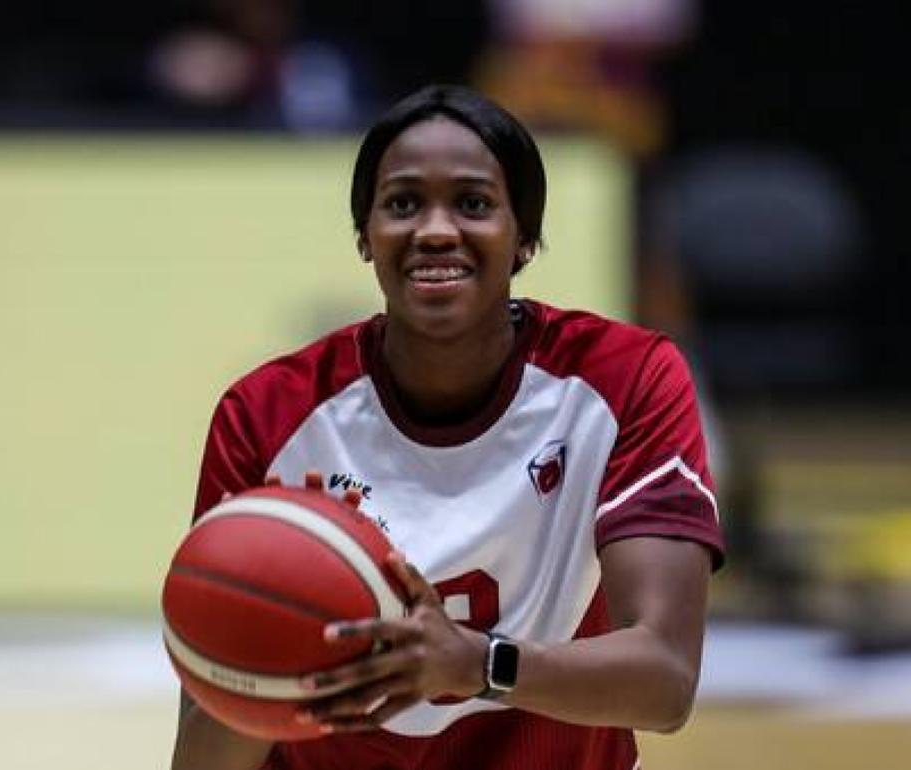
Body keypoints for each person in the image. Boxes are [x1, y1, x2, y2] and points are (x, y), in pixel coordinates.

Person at [171, 84, 724, 770]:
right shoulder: (265, 414)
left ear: (525, 238)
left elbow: (665, 680)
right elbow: (201, 758)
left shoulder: (625, 379)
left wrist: (477, 663)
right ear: (365, 236)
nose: (435, 230)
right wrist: (280, 664)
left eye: (473, 203)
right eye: (403, 204)